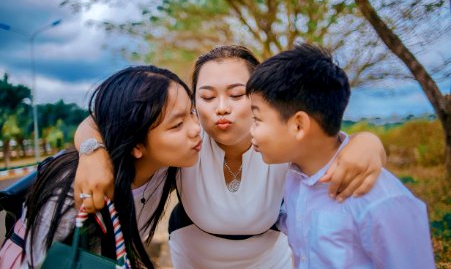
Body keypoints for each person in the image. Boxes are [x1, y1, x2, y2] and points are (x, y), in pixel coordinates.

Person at [73, 45, 387, 268]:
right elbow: (99, 119)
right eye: (207, 97)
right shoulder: (187, 140)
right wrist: (91, 152)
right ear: (193, 103)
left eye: (237, 94)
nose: (221, 107)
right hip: (193, 253)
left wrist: (368, 142)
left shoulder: (280, 141)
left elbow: (330, 143)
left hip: (269, 256)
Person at [247, 43, 435, 268]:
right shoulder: (293, 180)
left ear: (299, 125)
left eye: (257, 120)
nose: (251, 130)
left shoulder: (383, 202)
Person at [0, 66, 202, 269]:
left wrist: (91, 150)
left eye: (192, 112)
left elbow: (98, 119)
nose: (196, 128)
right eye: (177, 125)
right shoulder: (73, 195)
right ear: (135, 144)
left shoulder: (164, 164)